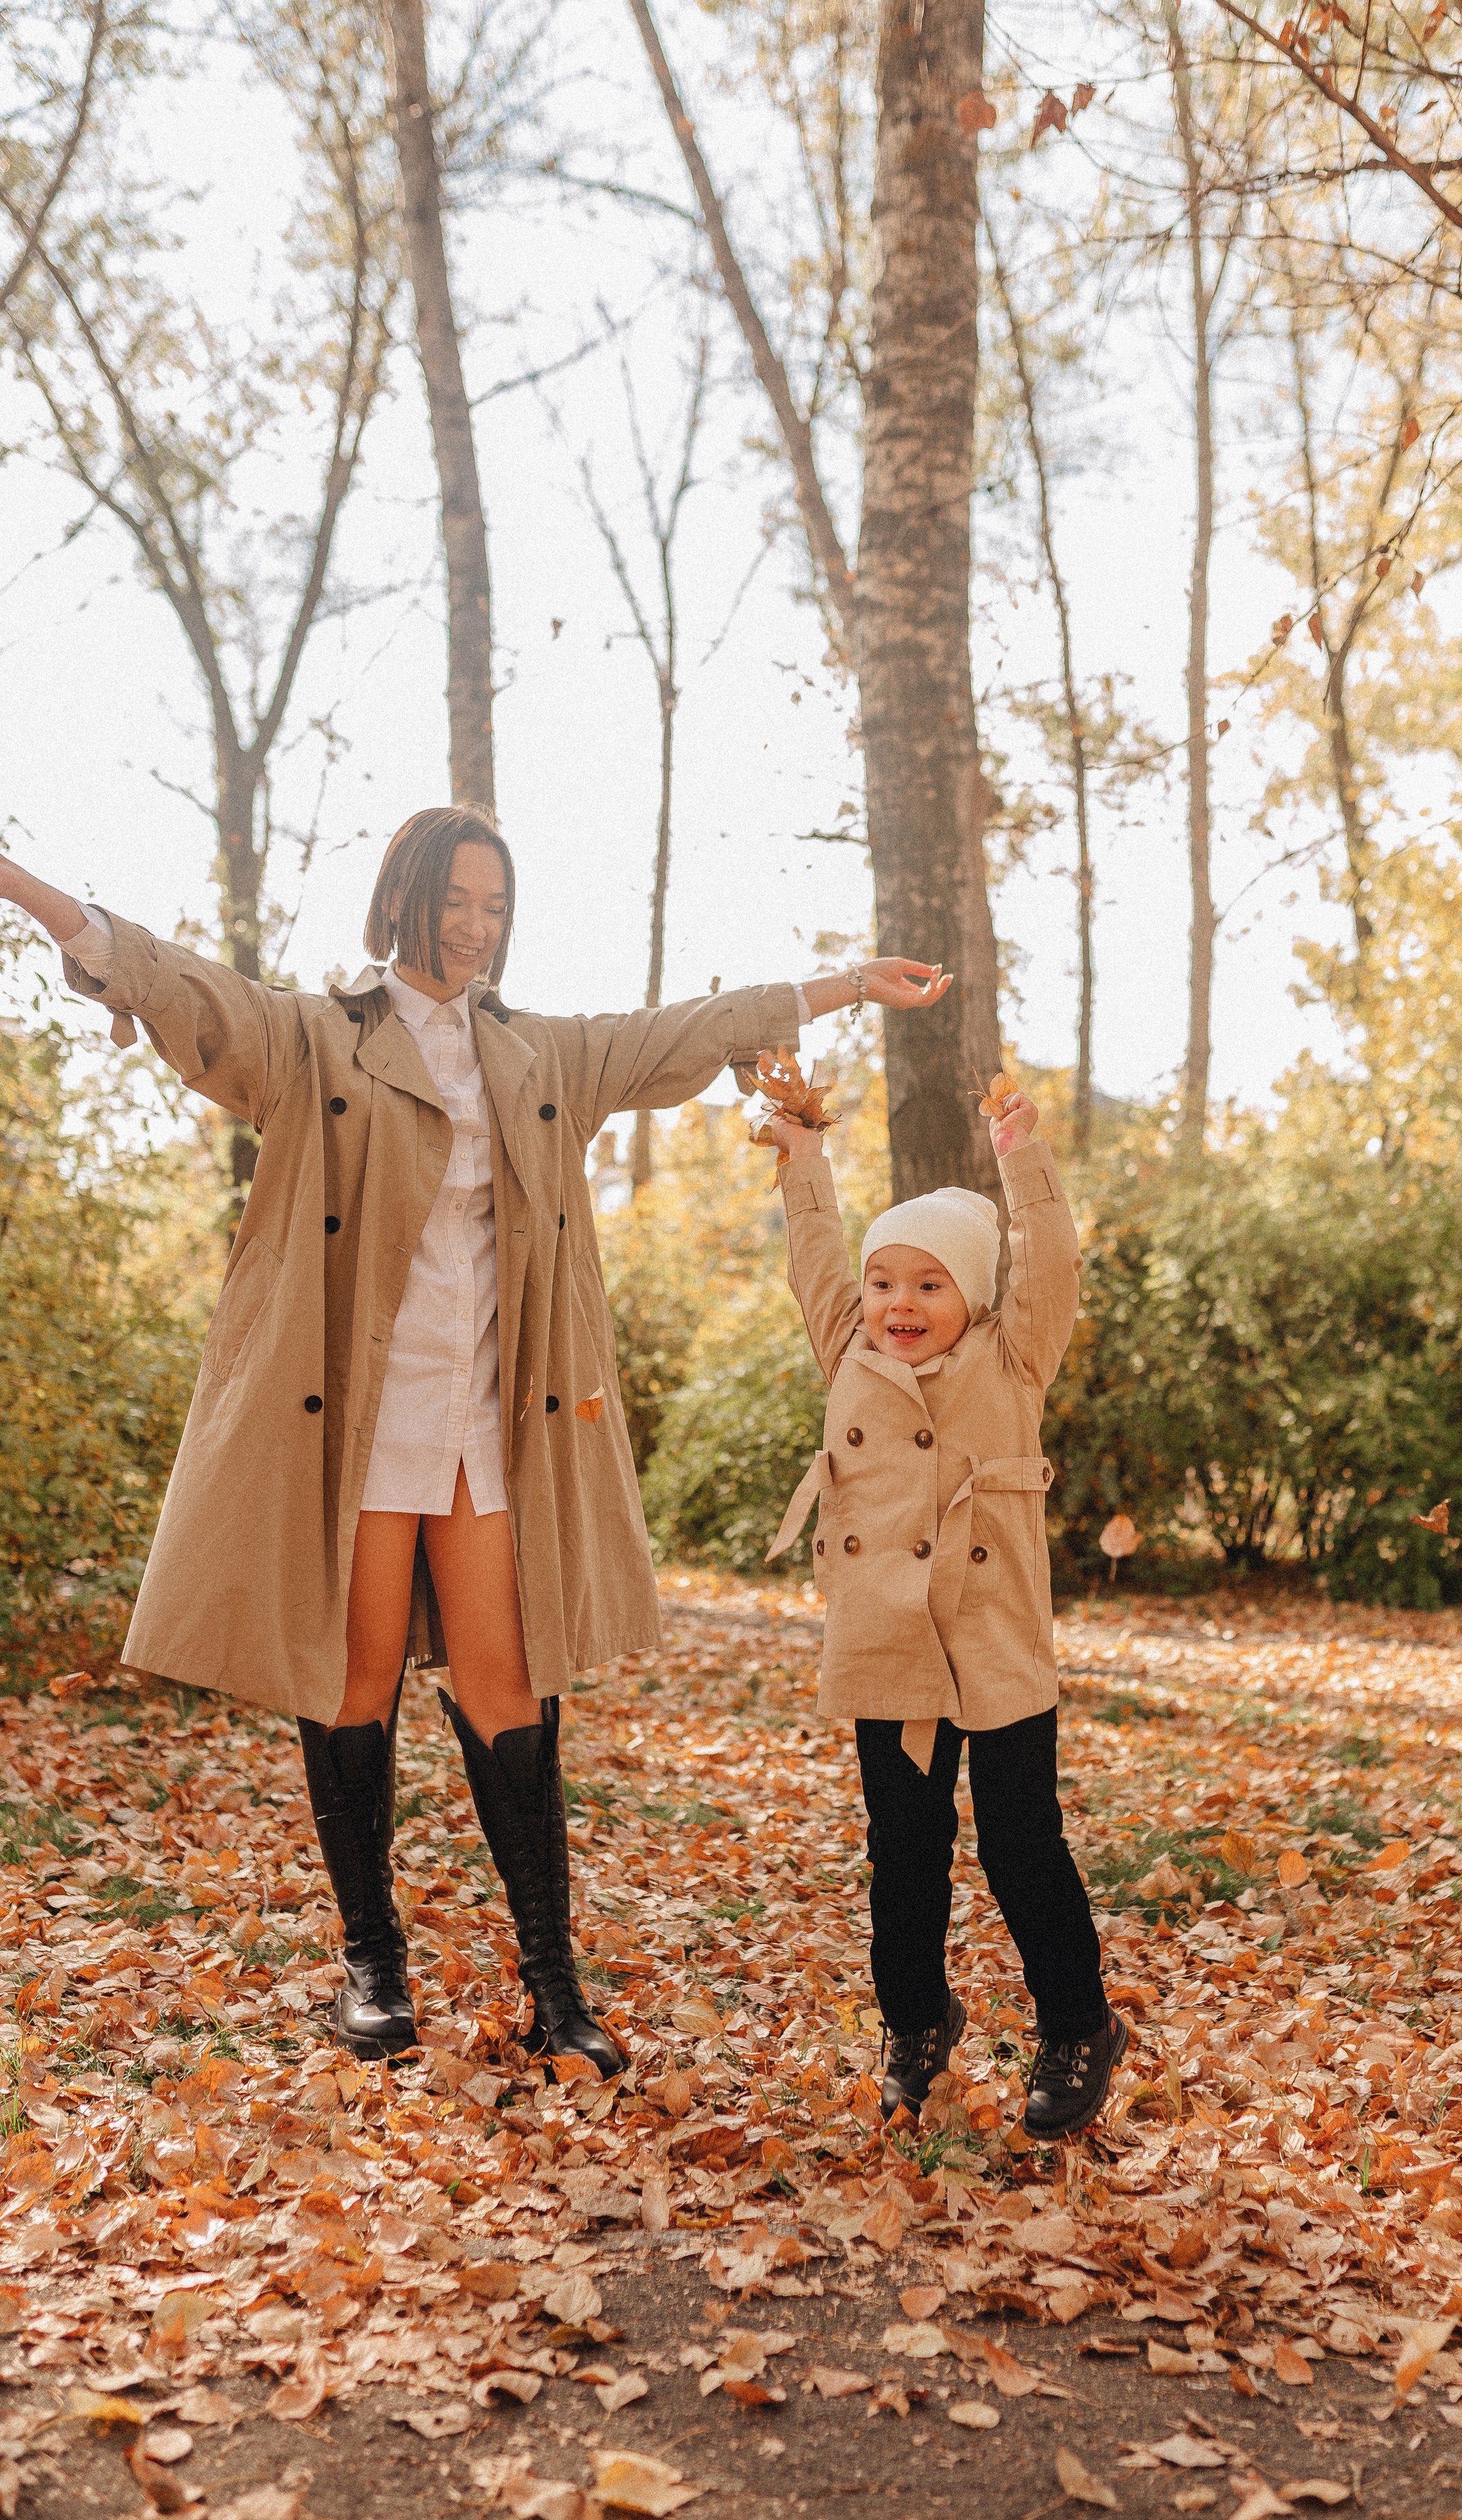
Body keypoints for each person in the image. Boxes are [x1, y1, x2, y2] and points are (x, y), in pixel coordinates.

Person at [0, 810, 952, 2069]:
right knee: (354, 1682)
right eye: (456, 898)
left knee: (509, 1689)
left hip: (489, 1416)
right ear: (406, 897)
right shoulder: (320, 1036)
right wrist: (26, 887)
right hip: (356, 1417)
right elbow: (189, 990)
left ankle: (553, 1986)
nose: (475, 924)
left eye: (494, 904)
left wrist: (846, 984)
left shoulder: (537, 1054)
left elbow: (680, 1033)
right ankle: (372, 1966)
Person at [762, 1081, 1127, 2138]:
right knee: (904, 1849)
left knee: (1023, 1845)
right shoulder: (850, 1355)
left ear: (973, 1294)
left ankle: (1077, 2025)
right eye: (885, 1283)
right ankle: (917, 2020)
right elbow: (815, 1255)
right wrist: (802, 1158)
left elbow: (1050, 1261)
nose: (900, 1303)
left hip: (996, 1640)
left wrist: (1021, 1155)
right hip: (889, 1644)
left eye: (928, 1283)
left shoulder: (1014, 1361)